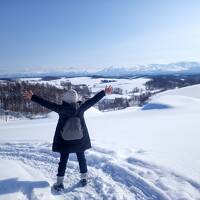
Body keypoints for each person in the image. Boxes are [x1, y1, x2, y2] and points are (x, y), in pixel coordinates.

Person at [23, 85, 112, 190]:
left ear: (65, 99)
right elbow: (93, 100)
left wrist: (33, 97)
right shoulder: (81, 108)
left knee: (63, 160)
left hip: (65, 141)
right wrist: (104, 92)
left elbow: (47, 104)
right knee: (81, 158)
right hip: (79, 139)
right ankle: (84, 179)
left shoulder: (61, 109)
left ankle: (60, 183)